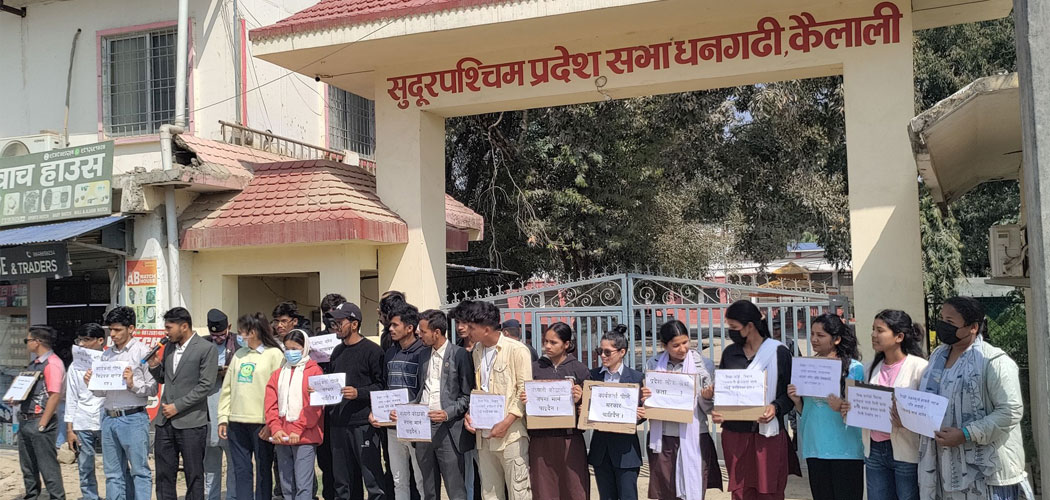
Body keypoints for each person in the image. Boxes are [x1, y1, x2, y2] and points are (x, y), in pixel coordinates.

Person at [917, 297, 1033, 499]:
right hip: (946, 468)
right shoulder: (937, 357)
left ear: (973, 327)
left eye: (950, 321)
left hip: (989, 474)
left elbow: (1010, 411)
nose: (943, 325)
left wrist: (966, 434)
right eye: (941, 319)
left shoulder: (994, 361)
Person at [839, 309, 927, 500]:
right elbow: (861, 406)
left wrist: (908, 420)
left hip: (906, 451)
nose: (873, 335)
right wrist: (848, 409)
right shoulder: (869, 368)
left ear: (899, 337)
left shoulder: (920, 368)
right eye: (873, 329)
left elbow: (927, 414)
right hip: (874, 450)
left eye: (880, 330)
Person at [713, 300, 792, 500]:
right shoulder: (730, 354)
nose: (730, 332)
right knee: (740, 491)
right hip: (735, 435)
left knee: (769, 490)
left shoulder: (778, 353)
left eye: (734, 327)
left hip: (767, 435)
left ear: (749, 326)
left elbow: (790, 395)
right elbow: (723, 392)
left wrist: (775, 407)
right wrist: (719, 411)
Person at [786, 314, 865, 500]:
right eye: (812, 334)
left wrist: (842, 406)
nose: (814, 339)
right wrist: (797, 401)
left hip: (845, 450)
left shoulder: (854, 368)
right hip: (815, 447)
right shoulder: (806, 367)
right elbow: (807, 410)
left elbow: (860, 412)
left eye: (820, 335)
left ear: (836, 339)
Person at [461, 300, 534, 500]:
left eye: (471, 328)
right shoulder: (477, 351)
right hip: (484, 436)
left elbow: (523, 391)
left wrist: (506, 423)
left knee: (519, 492)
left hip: (511, 436)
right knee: (490, 493)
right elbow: (479, 389)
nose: (467, 332)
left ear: (486, 329)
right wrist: (470, 414)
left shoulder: (517, 350)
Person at [148, 307, 219, 500]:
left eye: (169, 328)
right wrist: (154, 365)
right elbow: (165, 378)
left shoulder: (206, 349)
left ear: (184, 326)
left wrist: (177, 406)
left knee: (194, 473)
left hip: (191, 422)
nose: (166, 332)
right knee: (164, 473)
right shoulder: (170, 347)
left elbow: (205, 385)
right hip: (164, 421)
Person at [89, 306, 158, 500]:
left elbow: (153, 388)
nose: (112, 334)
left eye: (117, 329)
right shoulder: (106, 355)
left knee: (139, 471)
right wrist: (91, 383)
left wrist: (132, 384)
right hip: (109, 417)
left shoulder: (143, 352)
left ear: (131, 329)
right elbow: (101, 392)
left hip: (133, 417)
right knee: (113, 473)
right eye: (110, 329)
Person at [641, 320, 714, 500]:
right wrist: (645, 398)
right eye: (676, 345)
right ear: (664, 345)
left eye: (685, 342)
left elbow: (709, 409)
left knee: (693, 488)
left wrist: (706, 397)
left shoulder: (703, 365)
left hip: (695, 436)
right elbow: (649, 403)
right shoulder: (653, 365)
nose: (682, 349)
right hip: (663, 438)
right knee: (665, 491)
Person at [219, 313, 285, 500]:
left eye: (242, 331)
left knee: (264, 470)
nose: (239, 335)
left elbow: (280, 391)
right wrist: (223, 417)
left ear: (253, 332)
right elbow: (227, 388)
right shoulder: (239, 354)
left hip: (262, 423)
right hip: (236, 421)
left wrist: (271, 423)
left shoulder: (274, 354)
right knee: (241, 470)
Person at [519, 322, 590, 499]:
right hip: (541, 439)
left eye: (553, 342)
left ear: (566, 344)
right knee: (543, 488)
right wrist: (525, 399)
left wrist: (581, 398)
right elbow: (524, 398)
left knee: (574, 487)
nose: (548, 346)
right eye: (546, 341)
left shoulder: (579, 369)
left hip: (570, 439)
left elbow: (590, 409)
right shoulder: (534, 368)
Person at [324, 302, 387, 500]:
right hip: (338, 423)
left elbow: (382, 386)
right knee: (342, 481)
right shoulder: (336, 352)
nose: (336, 326)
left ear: (354, 324)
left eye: (340, 322)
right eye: (334, 322)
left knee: (372, 477)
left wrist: (358, 393)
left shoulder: (372, 351)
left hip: (362, 424)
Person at [410, 309, 474, 500]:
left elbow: (467, 396)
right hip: (423, 427)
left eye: (423, 331)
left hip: (448, 429)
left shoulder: (459, 355)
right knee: (428, 487)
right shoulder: (423, 355)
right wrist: (406, 409)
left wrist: (447, 413)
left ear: (436, 332)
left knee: (455, 488)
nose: (419, 335)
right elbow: (422, 391)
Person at [370, 305, 428, 500]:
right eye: (390, 325)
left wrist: (409, 410)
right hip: (392, 425)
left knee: (421, 479)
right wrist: (377, 411)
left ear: (410, 328)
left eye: (395, 325)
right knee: (398, 478)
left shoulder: (423, 353)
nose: (391, 329)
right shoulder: (390, 353)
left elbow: (424, 390)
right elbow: (385, 386)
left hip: (415, 425)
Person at [7, 325, 66, 500]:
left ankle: (57, 497)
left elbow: (54, 395)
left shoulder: (53, 364)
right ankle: (32, 495)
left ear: (37, 342)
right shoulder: (35, 364)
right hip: (27, 419)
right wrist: (16, 398)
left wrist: (42, 424)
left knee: (48, 467)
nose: (26, 343)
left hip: (40, 420)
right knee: (28, 466)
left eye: (28, 340)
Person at [265, 329, 325, 500]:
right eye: (287, 348)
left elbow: (314, 406)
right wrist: (275, 428)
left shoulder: (314, 371)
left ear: (304, 348)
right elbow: (270, 403)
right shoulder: (278, 374)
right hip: (282, 436)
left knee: (303, 486)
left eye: (295, 349)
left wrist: (298, 429)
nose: (290, 353)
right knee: (286, 485)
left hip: (305, 436)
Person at [588, 325, 645, 500]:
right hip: (601, 450)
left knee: (628, 496)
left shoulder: (636, 378)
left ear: (622, 352)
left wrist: (640, 415)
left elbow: (644, 409)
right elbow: (586, 407)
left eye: (607, 352)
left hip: (626, 451)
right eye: (600, 351)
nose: (603, 356)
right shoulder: (592, 376)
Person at [65, 323, 106, 500]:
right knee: (85, 466)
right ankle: (90, 497)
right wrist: (70, 429)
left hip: (106, 418)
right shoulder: (75, 367)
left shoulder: (110, 362)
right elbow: (71, 397)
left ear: (100, 340)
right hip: (82, 420)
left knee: (114, 465)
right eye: (79, 340)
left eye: (86, 340)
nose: (82, 344)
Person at [449, 303, 483, 500]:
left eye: (464, 322)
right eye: (457, 322)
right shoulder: (454, 351)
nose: (460, 327)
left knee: (488, 474)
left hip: (486, 418)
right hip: (462, 421)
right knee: (466, 473)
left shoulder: (484, 349)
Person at [204, 309, 238, 500]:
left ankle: (232, 496)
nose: (217, 339)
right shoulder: (202, 344)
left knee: (234, 460)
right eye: (214, 335)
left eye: (222, 335)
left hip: (231, 406)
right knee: (210, 461)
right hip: (208, 407)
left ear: (229, 328)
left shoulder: (238, 344)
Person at [317, 293, 347, 500]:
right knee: (325, 460)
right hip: (322, 407)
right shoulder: (316, 340)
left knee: (345, 460)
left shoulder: (348, 339)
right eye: (327, 315)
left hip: (345, 406)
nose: (332, 320)